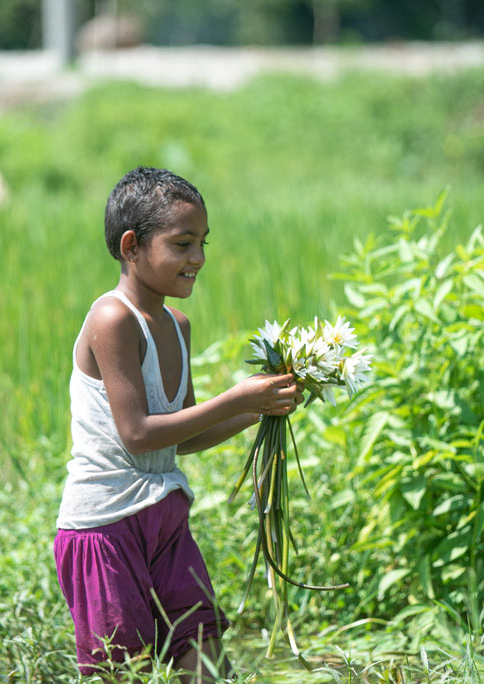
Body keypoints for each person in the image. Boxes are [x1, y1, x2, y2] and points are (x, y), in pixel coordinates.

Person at [54, 166, 302, 682]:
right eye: (183, 244)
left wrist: (259, 409)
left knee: (205, 659)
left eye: (203, 243)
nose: (199, 259)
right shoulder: (112, 318)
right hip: (105, 527)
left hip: (164, 517)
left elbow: (180, 436)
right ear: (131, 246)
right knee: (124, 670)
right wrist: (236, 395)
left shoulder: (176, 325)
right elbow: (139, 434)